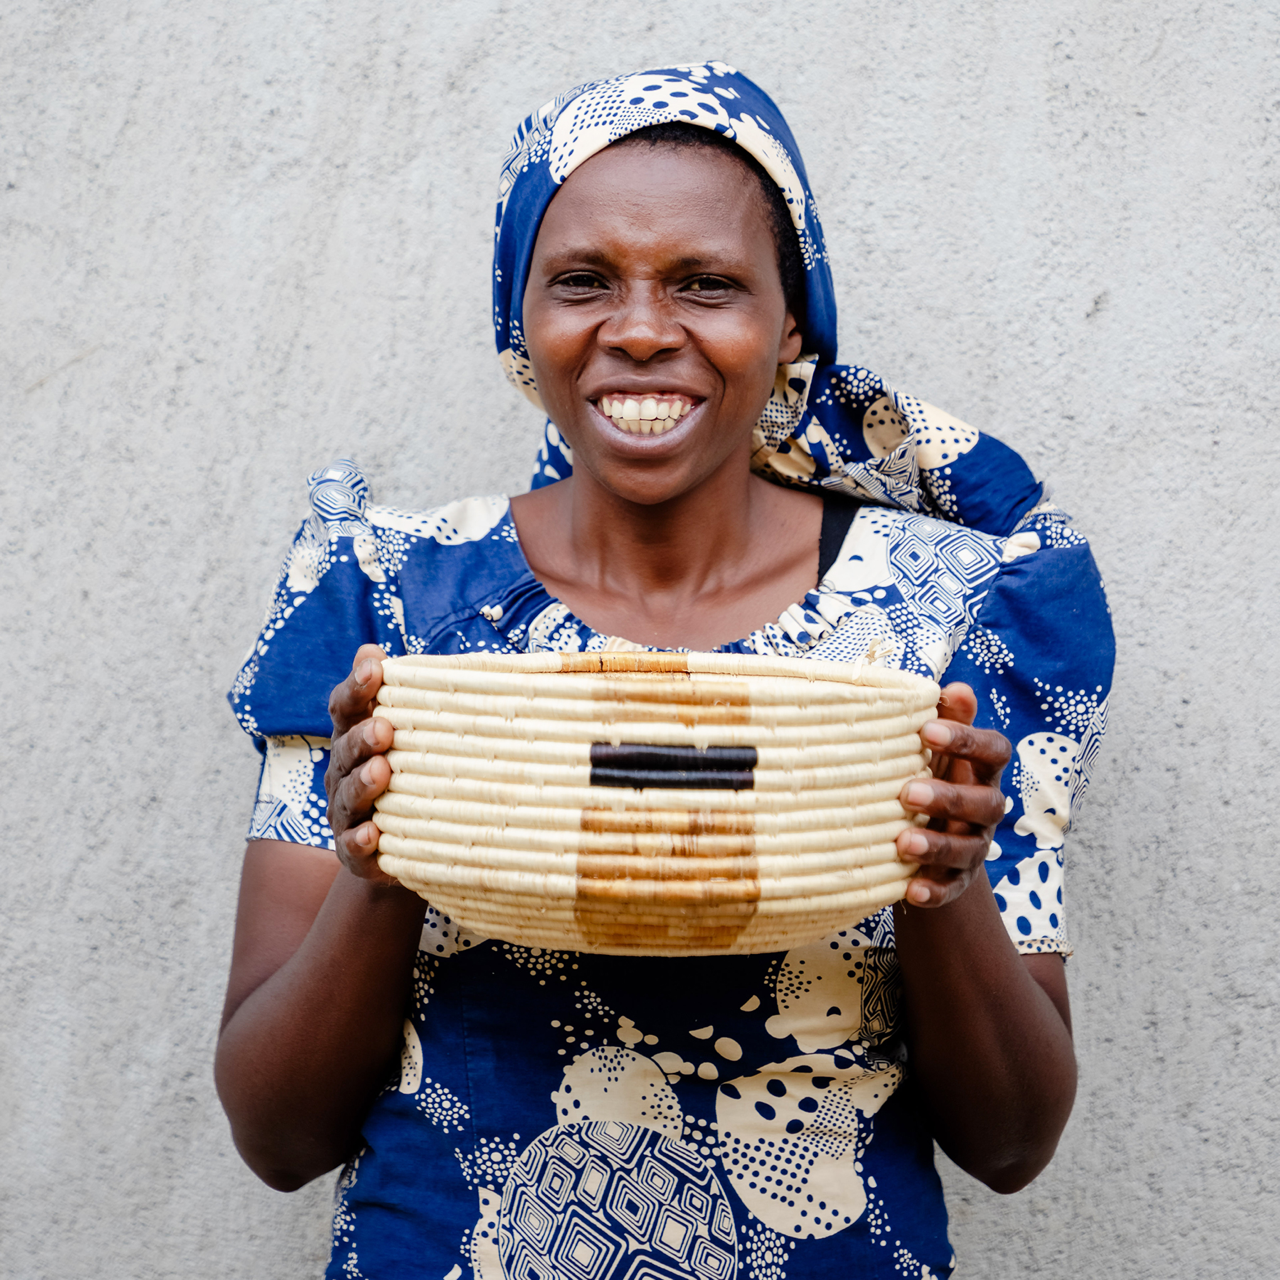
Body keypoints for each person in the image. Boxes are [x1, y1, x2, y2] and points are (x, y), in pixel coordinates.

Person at [217, 63, 1114, 1280]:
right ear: (517, 316)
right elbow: (276, 1133)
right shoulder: (389, 601)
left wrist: (946, 888)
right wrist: (381, 868)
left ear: (789, 323)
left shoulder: (948, 618)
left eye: (706, 282)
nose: (640, 327)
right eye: (583, 279)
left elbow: (1009, 1141)